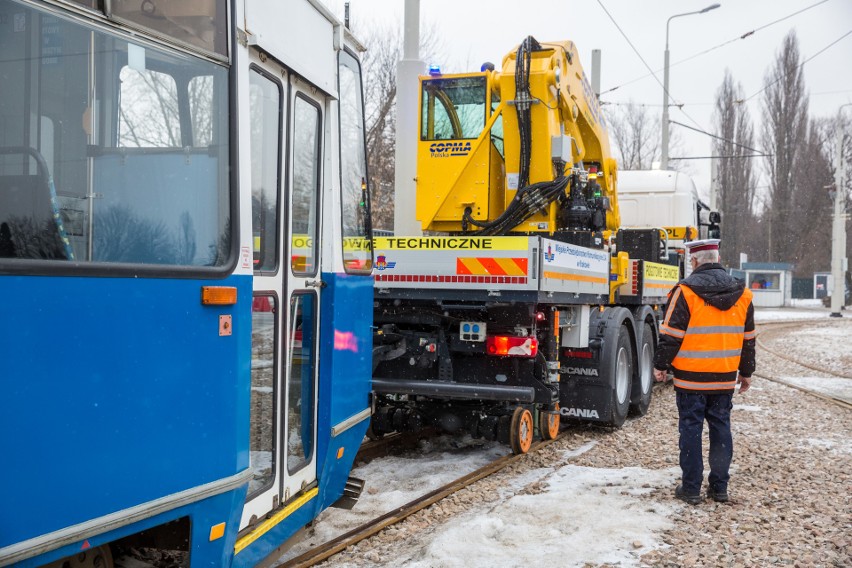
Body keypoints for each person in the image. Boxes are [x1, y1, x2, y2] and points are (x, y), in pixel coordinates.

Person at [653, 239, 756, 505]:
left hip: (691, 379)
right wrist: (746, 372)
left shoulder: (685, 292)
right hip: (723, 378)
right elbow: (748, 338)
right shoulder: (743, 294)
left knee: (691, 429)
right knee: (721, 428)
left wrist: (661, 365)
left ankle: (690, 489)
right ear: (717, 257)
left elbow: (671, 335)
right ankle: (719, 488)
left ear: (696, 261)